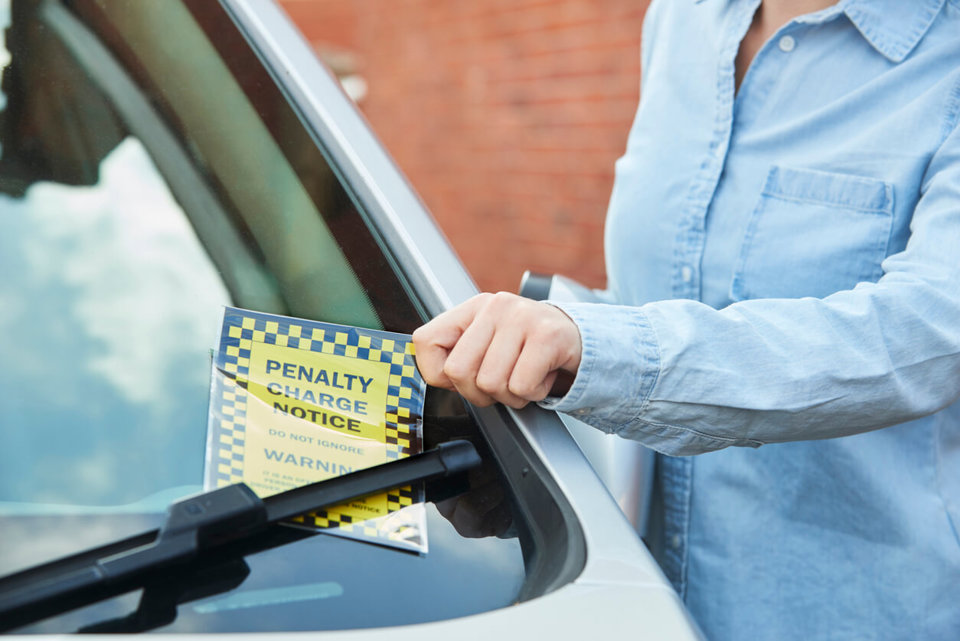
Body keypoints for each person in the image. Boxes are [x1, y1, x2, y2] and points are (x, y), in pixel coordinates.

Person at [412, 0, 960, 639]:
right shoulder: (680, 20)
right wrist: (537, 359)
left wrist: (598, 349)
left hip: (851, 611)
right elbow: (665, 294)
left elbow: (926, 333)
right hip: (636, 600)